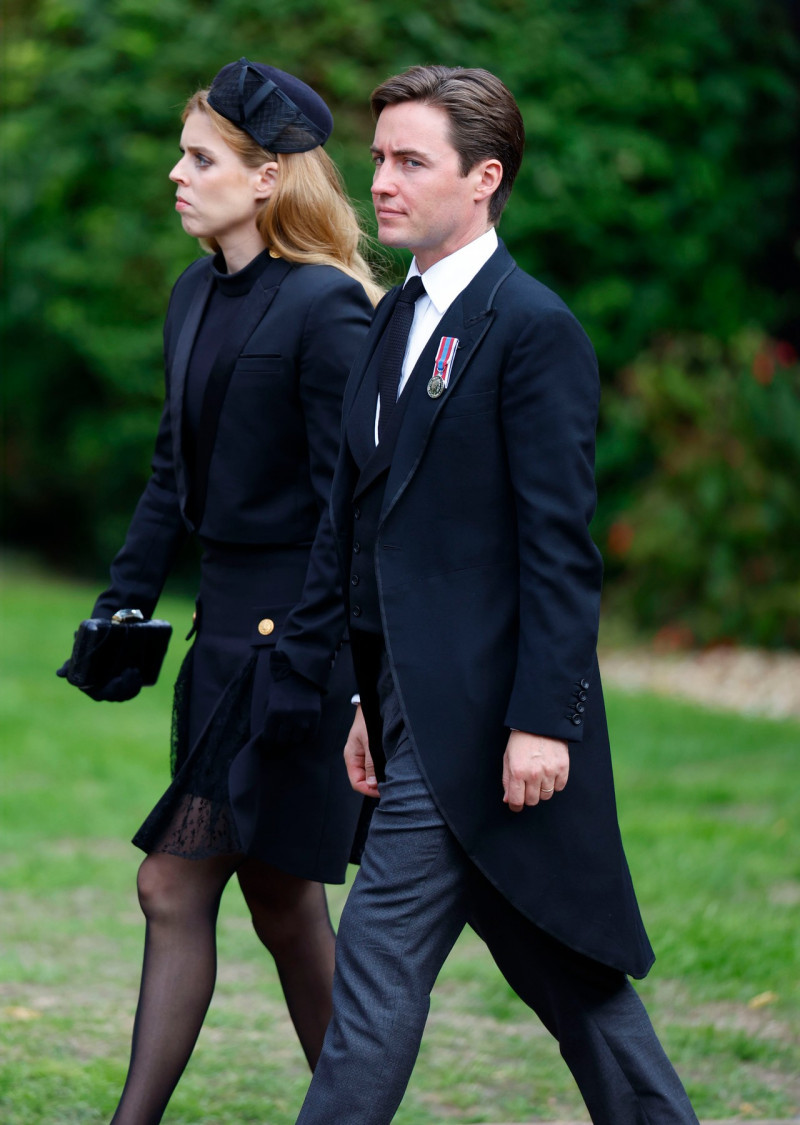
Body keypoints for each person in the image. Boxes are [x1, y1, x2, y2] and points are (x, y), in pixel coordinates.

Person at [282, 65, 700, 1123]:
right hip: (407, 716)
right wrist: (357, 703)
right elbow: (359, 530)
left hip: (487, 726)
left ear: (483, 179)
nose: (380, 181)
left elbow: (557, 548)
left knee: (373, 979)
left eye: (409, 161)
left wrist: (537, 723)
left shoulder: (532, 329)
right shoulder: (391, 321)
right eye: (378, 157)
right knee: (569, 977)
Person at [57, 58, 380, 1125]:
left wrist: (319, 664)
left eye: (199, 158)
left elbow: (353, 509)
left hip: (294, 646)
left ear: (266, 177)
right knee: (283, 903)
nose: (174, 175)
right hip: (219, 640)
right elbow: (171, 467)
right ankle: (357, 1112)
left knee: (171, 885)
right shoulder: (195, 292)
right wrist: (122, 599)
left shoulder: (328, 309)